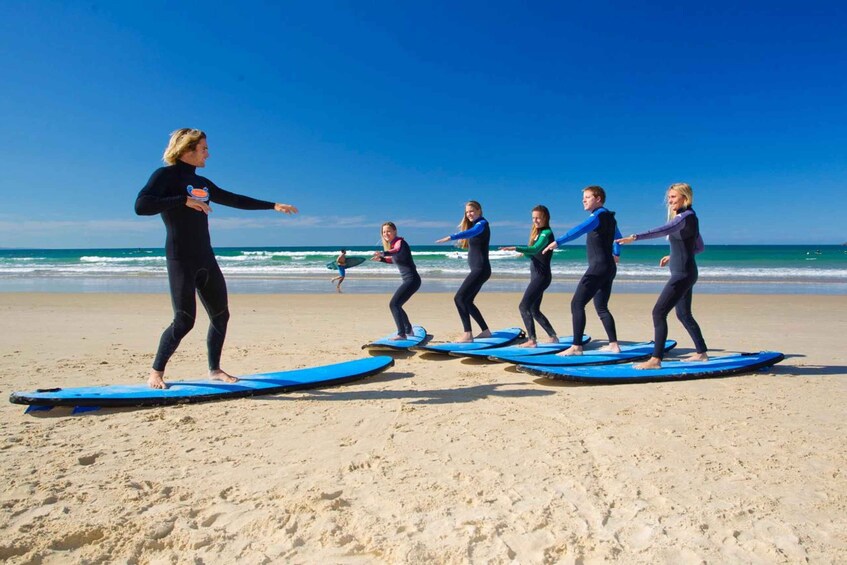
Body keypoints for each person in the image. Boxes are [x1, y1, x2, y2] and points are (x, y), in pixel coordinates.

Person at [135, 128, 298, 389]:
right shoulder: (164, 176)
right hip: (180, 258)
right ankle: (156, 372)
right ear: (187, 150)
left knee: (221, 315)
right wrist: (182, 201)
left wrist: (272, 205)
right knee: (184, 320)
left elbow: (234, 199)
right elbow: (141, 206)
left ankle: (215, 369)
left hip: (205, 257)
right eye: (204, 149)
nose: (208, 154)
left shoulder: (203, 183)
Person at [616, 182, 708, 369]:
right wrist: (673, 255)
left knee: (658, 312)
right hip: (686, 271)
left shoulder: (685, 217)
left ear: (685, 197)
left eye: (673, 197)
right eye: (669, 197)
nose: (669, 200)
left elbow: (662, 230)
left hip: (682, 274)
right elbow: (698, 247)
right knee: (683, 314)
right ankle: (701, 353)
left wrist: (635, 237)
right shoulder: (690, 218)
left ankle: (656, 359)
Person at [543, 186, 622, 356]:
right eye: (583, 198)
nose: (583, 200)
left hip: (598, 268)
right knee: (601, 307)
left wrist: (558, 242)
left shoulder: (598, 216)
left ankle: (577, 346)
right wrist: (616, 253)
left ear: (598, 198)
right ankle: (614, 344)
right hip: (609, 267)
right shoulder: (611, 217)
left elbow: (579, 229)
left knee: (577, 304)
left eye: (587, 197)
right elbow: (618, 237)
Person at [499, 205, 558, 347]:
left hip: (541, 277)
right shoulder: (538, 233)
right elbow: (534, 254)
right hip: (538, 276)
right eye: (533, 218)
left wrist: (516, 248)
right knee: (534, 309)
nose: (535, 220)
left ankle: (532, 340)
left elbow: (535, 249)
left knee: (523, 306)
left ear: (545, 217)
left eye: (538, 217)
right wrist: (524, 253)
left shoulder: (547, 233)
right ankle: (553, 337)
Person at [435, 200, 492, 342]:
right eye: (467, 212)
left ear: (479, 210)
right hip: (480, 269)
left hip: (480, 269)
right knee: (467, 301)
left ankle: (467, 334)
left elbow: (473, 231)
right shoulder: (475, 225)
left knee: (459, 298)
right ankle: (486, 331)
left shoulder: (482, 224)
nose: (469, 214)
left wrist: (452, 237)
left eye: (471, 211)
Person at [372, 222, 421, 339]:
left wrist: (384, 253)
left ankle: (402, 334)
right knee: (397, 305)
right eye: (384, 232)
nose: (386, 234)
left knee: (394, 304)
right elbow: (394, 260)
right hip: (409, 280)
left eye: (388, 231)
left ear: (395, 231)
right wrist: (381, 260)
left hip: (412, 279)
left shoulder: (400, 242)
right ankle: (409, 331)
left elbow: (396, 250)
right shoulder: (393, 245)